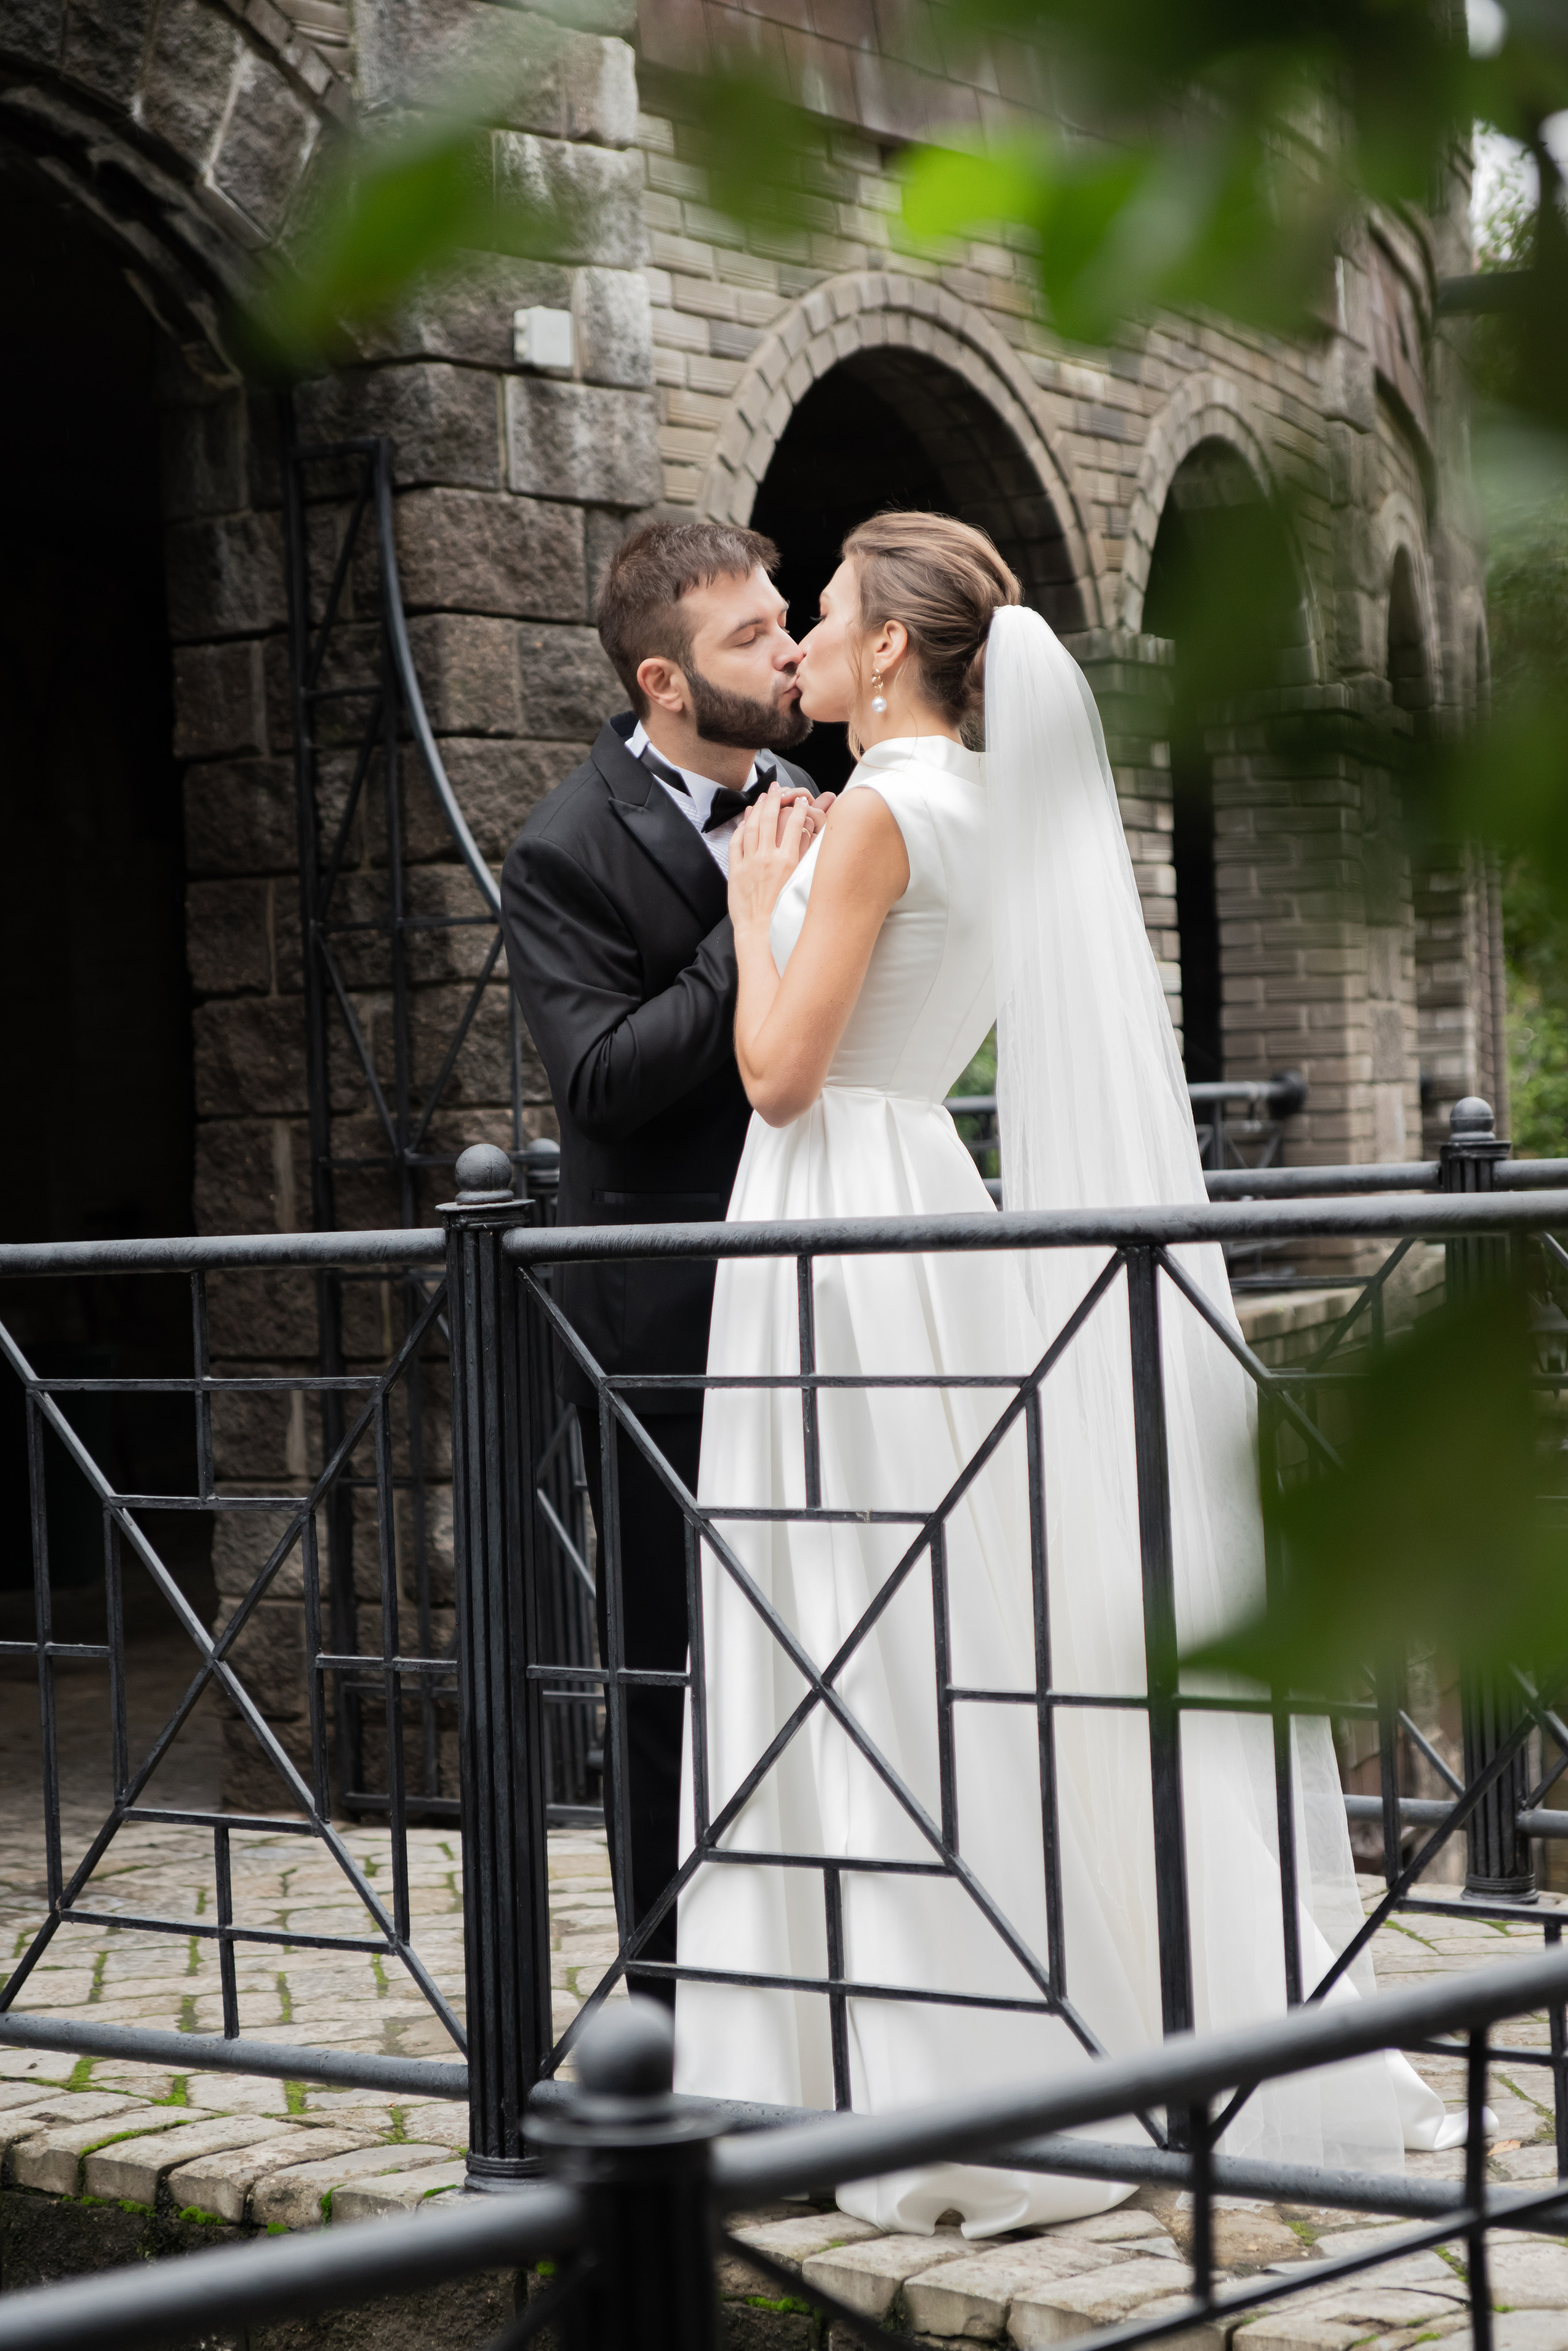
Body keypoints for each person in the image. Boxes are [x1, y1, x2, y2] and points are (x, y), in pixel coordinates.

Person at [671, 511, 1469, 2232]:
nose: (804, 636)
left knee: (840, 1608)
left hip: (833, 1214)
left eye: (821, 613)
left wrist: (750, 907)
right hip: (922, 1217)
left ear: (889, 646)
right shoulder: (985, 806)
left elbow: (783, 1075)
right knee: (921, 1620)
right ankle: (952, 2029)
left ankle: (880, 2072)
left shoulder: (881, 807)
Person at [500, 518, 823, 2001]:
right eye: (751, 637)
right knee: (662, 1675)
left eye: (782, 618)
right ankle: (669, 1996)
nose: (790, 649)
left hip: (833, 1293)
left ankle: (833, 1961)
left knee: (836, 1643)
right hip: (665, 1331)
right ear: (662, 682)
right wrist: (745, 927)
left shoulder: (822, 796)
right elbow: (606, 1080)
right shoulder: (564, 847)